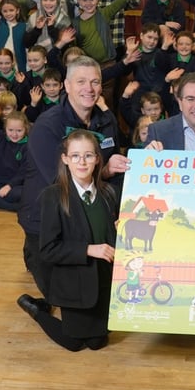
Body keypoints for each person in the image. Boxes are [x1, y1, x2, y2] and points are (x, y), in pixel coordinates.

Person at [16, 56, 129, 314]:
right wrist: (106, 171)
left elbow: (114, 163)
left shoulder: (106, 119)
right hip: (48, 216)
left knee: (100, 294)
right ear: (66, 85)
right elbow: (61, 182)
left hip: (91, 210)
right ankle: (34, 255)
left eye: (95, 82)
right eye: (81, 82)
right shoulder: (47, 126)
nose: (88, 89)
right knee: (63, 300)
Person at [17, 129, 118, 351]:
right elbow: (49, 250)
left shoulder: (109, 193)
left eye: (89, 155)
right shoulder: (53, 196)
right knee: (73, 343)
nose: (82, 162)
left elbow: (112, 236)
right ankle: (36, 310)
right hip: (74, 284)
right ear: (65, 159)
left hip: (103, 282)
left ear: (97, 159)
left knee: (96, 342)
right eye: (75, 156)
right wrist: (88, 249)